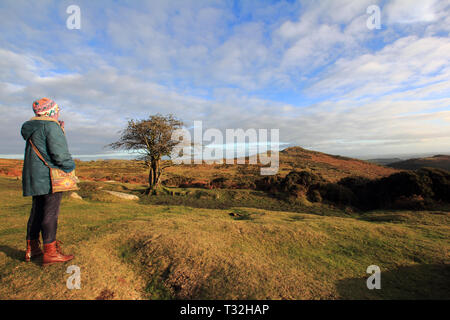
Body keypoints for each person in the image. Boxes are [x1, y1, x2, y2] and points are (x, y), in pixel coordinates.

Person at [21, 98, 75, 266]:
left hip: (34, 176)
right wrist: (70, 166)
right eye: (57, 109)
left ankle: (33, 249)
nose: (58, 112)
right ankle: (51, 253)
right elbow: (60, 155)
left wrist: (60, 129)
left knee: (37, 211)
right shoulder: (50, 126)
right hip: (50, 177)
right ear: (50, 112)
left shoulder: (32, 127)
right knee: (50, 212)